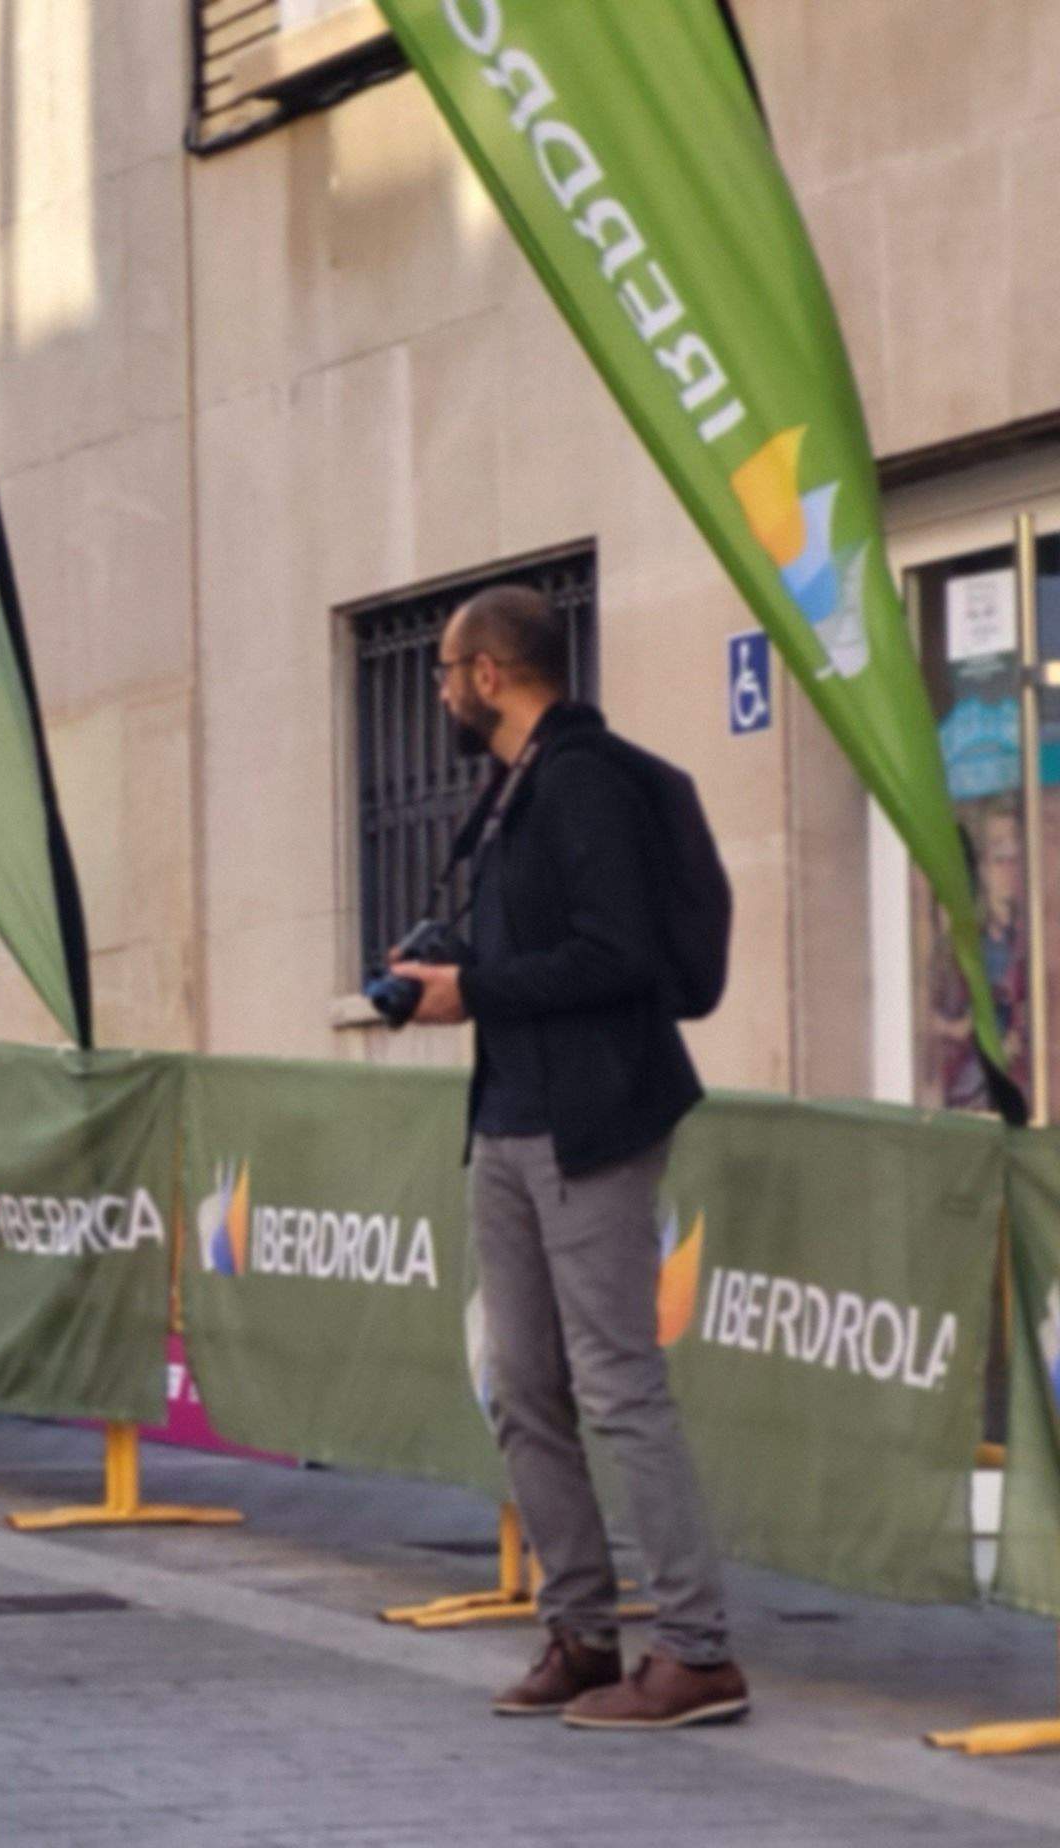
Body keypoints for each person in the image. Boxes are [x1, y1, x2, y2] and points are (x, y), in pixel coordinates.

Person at [386, 583, 741, 1731]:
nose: (439, 692)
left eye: (444, 672)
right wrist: (444, 973)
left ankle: (695, 1652)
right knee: (524, 1388)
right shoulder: (507, 791)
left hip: (591, 1122)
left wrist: (472, 992)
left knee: (618, 1385)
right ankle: (581, 1634)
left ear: (488, 674)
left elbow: (618, 955)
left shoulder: (582, 783)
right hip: (506, 1122)